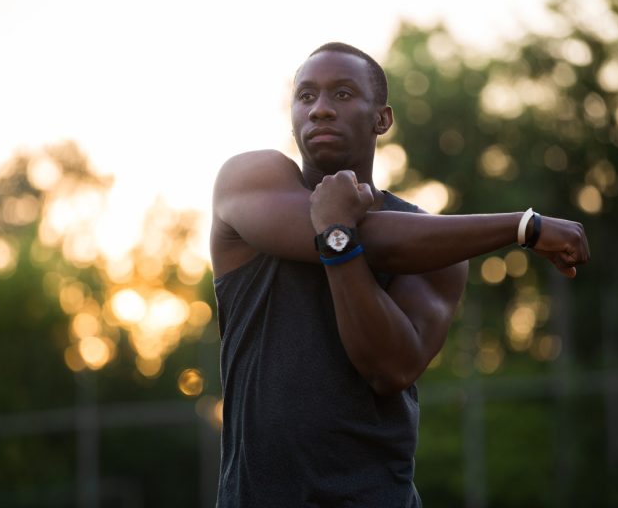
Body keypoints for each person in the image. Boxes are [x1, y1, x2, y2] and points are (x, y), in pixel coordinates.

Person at [210, 42, 589, 507]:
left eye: (343, 94)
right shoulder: (248, 179)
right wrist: (520, 227)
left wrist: (337, 235)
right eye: (306, 96)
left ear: (382, 119)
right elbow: (385, 239)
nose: (321, 110)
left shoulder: (442, 250)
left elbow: (389, 368)